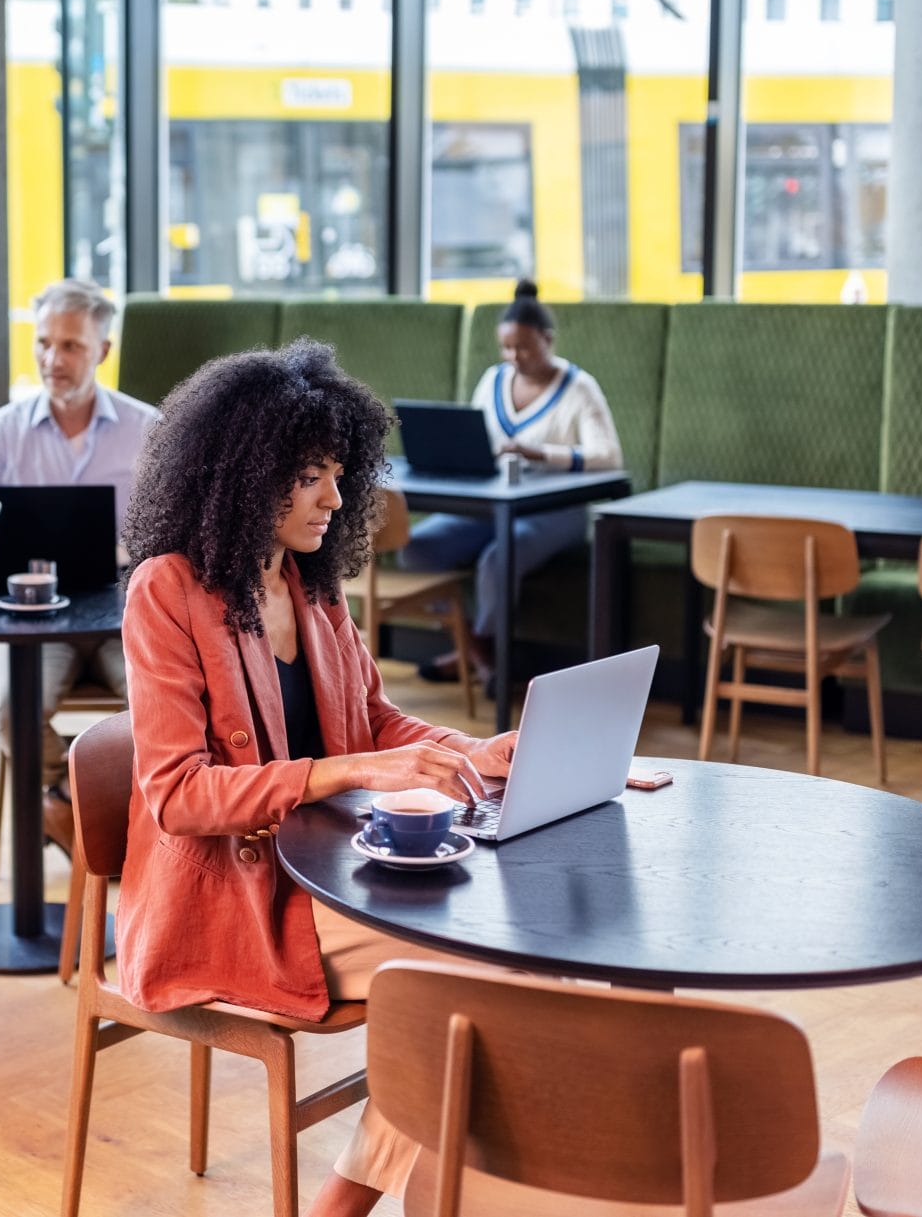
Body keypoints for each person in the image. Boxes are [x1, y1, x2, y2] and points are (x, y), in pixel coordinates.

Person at [116, 339, 516, 1216]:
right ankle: (356, 1201)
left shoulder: (313, 584)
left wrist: (472, 751)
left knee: (502, 972)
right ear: (244, 473)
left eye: (340, 473)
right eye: (309, 475)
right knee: (477, 979)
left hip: (329, 875)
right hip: (232, 903)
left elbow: (374, 723)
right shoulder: (165, 589)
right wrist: (354, 769)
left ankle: (457, 1189)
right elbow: (179, 795)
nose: (335, 498)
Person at [0, 278, 156, 852]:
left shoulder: (150, 430)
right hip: (34, 620)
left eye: (70, 346)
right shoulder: (1, 432)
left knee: (171, 707)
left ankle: (69, 805)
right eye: (43, 343)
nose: (52, 359)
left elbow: (183, 536)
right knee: (8, 708)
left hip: (128, 616)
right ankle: (70, 799)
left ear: (103, 352)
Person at [400, 279, 622, 688]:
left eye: (523, 347)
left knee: (495, 561)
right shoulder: (493, 381)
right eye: (506, 348)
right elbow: (476, 440)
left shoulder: (579, 388)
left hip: (557, 512)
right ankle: (473, 650)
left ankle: (485, 651)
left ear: (548, 340)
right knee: (417, 547)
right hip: (493, 506)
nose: (513, 357)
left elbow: (609, 456)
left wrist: (542, 453)